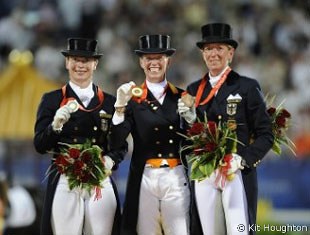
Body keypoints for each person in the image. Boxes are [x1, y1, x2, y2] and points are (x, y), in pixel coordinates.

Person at [178, 23, 274, 235]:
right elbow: (188, 139)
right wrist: (188, 120)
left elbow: (266, 134)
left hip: (235, 171)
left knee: (238, 230)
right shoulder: (194, 90)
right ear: (203, 54)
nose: (213, 53)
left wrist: (244, 159)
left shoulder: (247, 86)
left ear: (230, 52)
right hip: (205, 173)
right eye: (208, 49)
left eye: (219, 48)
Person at [34, 38, 125, 235]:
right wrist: (54, 126)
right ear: (67, 63)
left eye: (86, 60)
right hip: (65, 177)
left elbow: (120, 145)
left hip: (99, 176)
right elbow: (40, 145)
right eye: (75, 59)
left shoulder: (109, 102)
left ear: (95, 64)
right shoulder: (52, 100)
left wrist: (110, 160)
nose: (80, 65)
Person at [110, 34, 191, 235]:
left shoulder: (183, 97)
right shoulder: (133, 99)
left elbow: (194, 140)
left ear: (168, 61)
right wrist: (120, 107)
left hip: (175, 174)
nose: (154, 63)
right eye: (148, 58)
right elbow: (115, 141)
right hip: (144, 176)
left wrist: (192, 118)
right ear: (141, 62)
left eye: (159, 58)